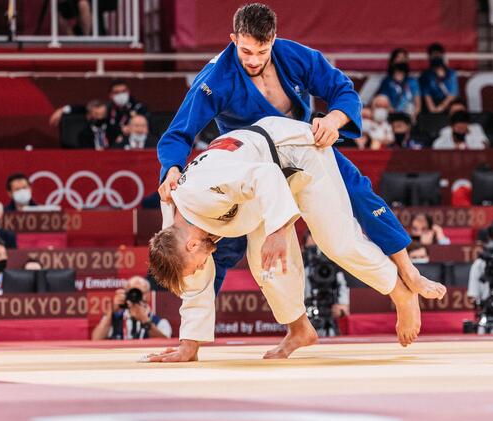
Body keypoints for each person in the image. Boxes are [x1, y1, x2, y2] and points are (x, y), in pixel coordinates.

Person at [155, 3, 436, 323]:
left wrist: (332, 119)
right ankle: (195, 335)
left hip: (305, 149)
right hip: (249, 167)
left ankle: (408, 273)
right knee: (221, 248)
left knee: (358, 193)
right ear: (233, 38)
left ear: (273, 39)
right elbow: (178, 134)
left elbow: (344, 92)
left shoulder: (297, 56)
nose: (253, 60)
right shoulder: (215, 79)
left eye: (261, 51)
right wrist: (173, 168)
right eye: (245, 50)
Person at [147, 117, 445, 362]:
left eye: (195, 265)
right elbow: (195, 283)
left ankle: (400, 291)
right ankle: (300, 329)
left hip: (295, 151)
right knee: (265, 264)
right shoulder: (172, 222)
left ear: (191, 244)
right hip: (255, 183)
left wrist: (277, 231)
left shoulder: (204, 190)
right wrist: (189, 344)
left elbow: (266, 176)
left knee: (336, 242)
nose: (200, 269)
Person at [50, 79, 148, 140]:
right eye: (117, 92)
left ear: (128, 92)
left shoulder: (138, 108)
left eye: (123, 91)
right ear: (110, 95)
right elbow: (84, 108)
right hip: (111, 146)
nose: (121, 95)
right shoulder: (107, 108)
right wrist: (62, 110)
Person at [91, 276, 172, 340]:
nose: (135, 296)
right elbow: (96, 339)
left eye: (139, 293)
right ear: (126, 294)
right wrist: (110, 312)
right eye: (132, 292)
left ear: (148, 296)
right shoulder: (114, 319)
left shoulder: (160, 322)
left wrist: (144, 320)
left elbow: (164, 343)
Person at [375, 48, 421, 120]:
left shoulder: (412, 81)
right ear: (392, 61)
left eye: (403, 58)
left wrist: (414, 115)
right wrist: (393, 113)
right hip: (391, 115)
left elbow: (417, 104)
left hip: (408, 115)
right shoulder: (387, 81)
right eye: (398, 57)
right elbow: (383, 99)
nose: (401, 60)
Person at [419, 43, 459, 113]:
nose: (436, 57)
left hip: (448, 104)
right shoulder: (425, 75)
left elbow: (452, 94)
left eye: (438, 54)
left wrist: (441, 107)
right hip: (431, 106)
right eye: (433, 55)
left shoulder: (451, 73)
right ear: (429, 57)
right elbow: (426, 95)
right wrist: (433, 110)